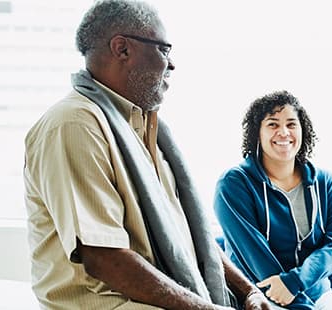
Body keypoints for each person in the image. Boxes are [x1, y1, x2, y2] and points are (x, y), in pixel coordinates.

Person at [23, 1, 272, 309]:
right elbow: (104, 257)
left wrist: (249, 291)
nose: (172, 64)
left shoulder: (145, 129)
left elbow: (192, 240)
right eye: (164, 49)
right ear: (122, 49)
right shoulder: (74, 125)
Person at [213, 91, 332, 310]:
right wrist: (300, 305)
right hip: (260, 296)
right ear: (257, 134)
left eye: (291, 124)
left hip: (317, 293)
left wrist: (295, 282)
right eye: (272, 124)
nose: (283, 132)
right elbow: (256, 257)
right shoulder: (234, 184)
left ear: (302, 131)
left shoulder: (325, 182)